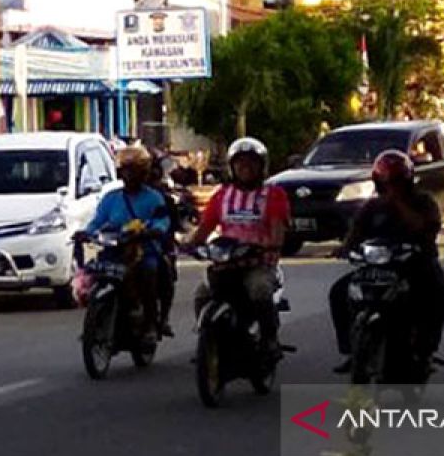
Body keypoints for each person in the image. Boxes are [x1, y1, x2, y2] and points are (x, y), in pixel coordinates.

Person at [328, 150, 444, 372]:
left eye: (397, 182)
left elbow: (425, 228)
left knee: (436, 296)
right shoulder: (371, 207)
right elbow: (355, 235)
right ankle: (351, 350)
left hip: (413, 267)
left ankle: (425, 350)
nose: (392, 187)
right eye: (387, 183)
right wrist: (345, 248)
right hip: (376, 269)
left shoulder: (423, 202)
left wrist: (399, 204)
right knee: (339, 293)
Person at [189, 137, 291, 357]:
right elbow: (204, 229)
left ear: (261, 167)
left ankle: (269, 338)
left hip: (258, 263)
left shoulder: (273, 195)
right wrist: (188, 245)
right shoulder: (222, 196)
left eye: (251, 163)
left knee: (260, 291)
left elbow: (277, 231)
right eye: (240, 163)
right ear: (232, 167)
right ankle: (207, 340)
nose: (245, 168)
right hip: (226, 262)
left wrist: (268, 245)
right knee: (201, 294)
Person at [83, 145, 171, 347]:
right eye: (125, 170)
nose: (129, 175)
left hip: (145, 252)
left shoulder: (154, 198)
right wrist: (85, 233)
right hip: (114, 252)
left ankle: (150, 323)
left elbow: (161, 222)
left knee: (149, 273)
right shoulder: (110, 198)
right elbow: (97, 222)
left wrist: (150, 231)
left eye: (134, 170)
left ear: (144, 172)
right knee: (95, 274)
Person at [149, 152, 181, 338]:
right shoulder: (115, 196)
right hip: (122, 247)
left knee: (163, 273)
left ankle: (162, 319)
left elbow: (170, 226)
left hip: (154, 248)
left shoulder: (162, 199)